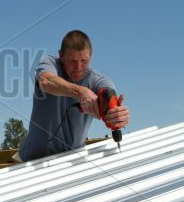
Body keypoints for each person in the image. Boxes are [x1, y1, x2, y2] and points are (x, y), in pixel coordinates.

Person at [15, 30, 130, 162]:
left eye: (84, 60)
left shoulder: (99, 81)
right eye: (72, 61)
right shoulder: (50, 63)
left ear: (91, 56)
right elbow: (46, 82)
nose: (78, 67)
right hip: (30, 159)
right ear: (60, 56)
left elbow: (108, 100)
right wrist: (81, 92)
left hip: (70, 163)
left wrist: (116, 116)